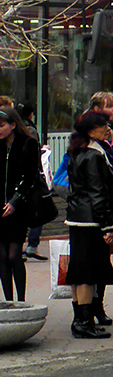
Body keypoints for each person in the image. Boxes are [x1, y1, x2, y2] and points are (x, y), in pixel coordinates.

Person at [64, 111, 113, 339]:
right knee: (87, 271)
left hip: (76, 217)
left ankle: (79, 319)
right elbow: (98, 193)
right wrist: (107, 225)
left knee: (78, 270)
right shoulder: (95, 155)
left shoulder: (76, 151)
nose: (109, 129)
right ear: (91, 130)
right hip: (91, 220)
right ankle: (84, 322)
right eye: (104, 125)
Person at [84, 91, 113, 327]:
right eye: (108, 106)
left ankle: (98, 304)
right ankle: (85, 310)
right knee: (89, 259)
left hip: (110, 201)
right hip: (91, 203)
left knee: (103, 257)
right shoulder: (86, 135)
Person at [0, 106, 40, 302]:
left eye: (2, 126)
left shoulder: (28, 144)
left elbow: (30, 178)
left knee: (13, 255)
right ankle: (8, 300)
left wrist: (15, 201)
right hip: (1, 208)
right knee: (1, 256)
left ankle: (21, 300)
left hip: (18, 207)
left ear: (13, 125)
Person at [18, 102, 47, 262]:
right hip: (31, 178)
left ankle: (20, 247)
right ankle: (31, 246)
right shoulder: (30, 130)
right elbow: (33, 155)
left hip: (20, 180)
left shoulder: (17, 130)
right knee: (38, 210)